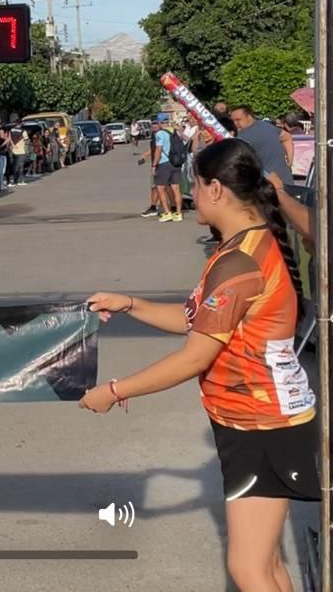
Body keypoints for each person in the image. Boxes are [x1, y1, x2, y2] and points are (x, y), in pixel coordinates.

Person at [82, 138, 316, 592]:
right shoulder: (246, 246)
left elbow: (194, 355)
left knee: (248, 568)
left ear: (216, 189)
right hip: (258, 420)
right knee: (266, 565)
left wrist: (113, 391)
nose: (191, 193)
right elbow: (196, 320)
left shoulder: (239, 262)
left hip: (260, 423)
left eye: (196, 183)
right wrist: (129, 303)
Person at [229, 106, 294, 187]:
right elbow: (287, 137)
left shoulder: (242, 137)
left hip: (266, 186)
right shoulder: (268, 126)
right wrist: (290, 161)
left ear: (249, 117)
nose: (235, 124)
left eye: (238, 120)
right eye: (233, 121)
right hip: (285, 181)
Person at [149, 119, 183, 222]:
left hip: (164, 163)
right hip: (176, 163)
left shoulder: (160, 133)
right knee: (176, 189)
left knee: (160, 188)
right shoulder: (175, 132)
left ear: (160, 123)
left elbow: (159, 149)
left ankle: (167, 213)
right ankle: (178, 213)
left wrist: (154, 165)